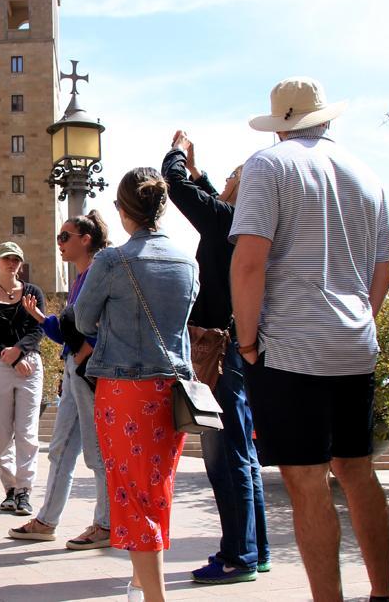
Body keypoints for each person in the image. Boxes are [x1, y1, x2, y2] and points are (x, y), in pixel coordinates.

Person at [229, 77, 389, 602]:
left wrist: (250, 342)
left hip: (291, 346)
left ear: (281, 124)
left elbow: (250, 261)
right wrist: (358, 324)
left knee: (306, 483)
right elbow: (384, 273)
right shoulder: (366, 174)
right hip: (354, 345)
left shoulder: (269, 165)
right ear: (325, 118)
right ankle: (383, 595)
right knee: (357, 471)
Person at [74, 167, 199, 602]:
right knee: (157, 489)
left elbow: (83, 319)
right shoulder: (187, 261)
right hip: (173, 391)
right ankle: (142, 583)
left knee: (131, 492)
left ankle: (154, 597)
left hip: (125, 390)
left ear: (123, 209)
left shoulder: (112, 261)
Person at [163, 131, 270, 584]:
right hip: (240, 352)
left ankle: (236, 557)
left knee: (224, 456)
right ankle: (254, 549)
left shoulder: (228, 221)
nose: (222, 181)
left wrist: (174, 155)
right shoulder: (245, 226)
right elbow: (208, 200)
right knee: (242, 454)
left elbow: (179, 189)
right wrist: (201, 170)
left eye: (231, 177)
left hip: (218, 354)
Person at [9, 211, 113, 550]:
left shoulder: (99, 270)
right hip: (75, 370)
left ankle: (106, 524)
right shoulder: (81, 276)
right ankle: (47, 520)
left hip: (88, 371)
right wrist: (41, 318)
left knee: (96, 451)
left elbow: (107, 320)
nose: (60, 243)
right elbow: (69, 330)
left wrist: (83, 354)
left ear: (86, 239)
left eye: (65, 236)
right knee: (61, 449)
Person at [0, 241, 46, 516]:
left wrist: (20, 352)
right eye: (7, 258)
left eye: (16, 259)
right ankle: (10, 489)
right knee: (2, 431)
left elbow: (38, 327)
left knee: (27, 432)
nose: (12, 263)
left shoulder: (33, 293)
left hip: (29, 364)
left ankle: (25, 491)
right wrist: (9, 355)